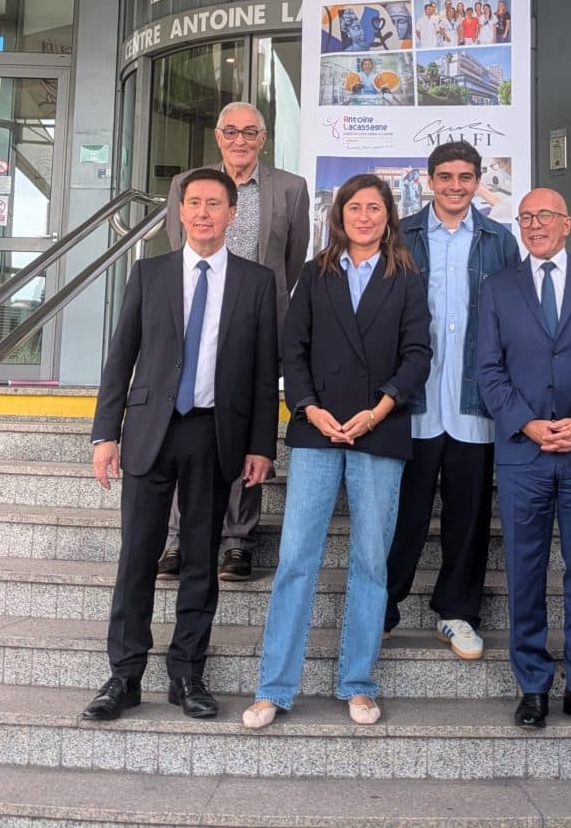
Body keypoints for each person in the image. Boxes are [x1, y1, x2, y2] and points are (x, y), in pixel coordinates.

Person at [82, 168, 278, 722]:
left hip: (215, 433)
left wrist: (262, 444)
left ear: (232, 214)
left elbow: (266, 373)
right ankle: (123, 677)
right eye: (193, 203)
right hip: (149, 431)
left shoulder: (256, 282)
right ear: (180, 211)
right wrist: (105, 434)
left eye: (215, 204)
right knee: (137, 557)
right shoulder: (149, 274)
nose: (203, 213)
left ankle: (187, 674)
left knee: (199, 561)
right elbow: (120, 357)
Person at [242, 174, 431, 729]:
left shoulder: (406, 276)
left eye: (375, 208)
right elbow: (292, 349)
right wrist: (309, 406)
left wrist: (379, 409)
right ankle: (274, 688)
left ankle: (358, 683)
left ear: (388, 216)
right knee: (296, 560)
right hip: (317, 430)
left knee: (371, 563)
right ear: (339, 214)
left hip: (380, 428)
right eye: (355, 207)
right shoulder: (315, 273)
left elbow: (419, 353)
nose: (364, 216)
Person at [477, 188, 571, 730]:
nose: (534, 224)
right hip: (524, 453)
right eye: (525, 217)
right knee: (525, 570)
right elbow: (488, 372)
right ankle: (534, 684)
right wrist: (527, 422)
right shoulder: (498, 288)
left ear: (567, 223)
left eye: (545, 215)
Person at [161, 103, 309, 582]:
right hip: (196, 319)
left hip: (257, 324)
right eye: (230, 131)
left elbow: (293, 258)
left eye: (250, 132)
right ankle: (179, 538)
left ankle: (238, 540)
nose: (240, 140)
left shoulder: (290, 188)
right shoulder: (189, 186)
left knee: (247, 426)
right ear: (218, 136)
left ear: (263, 139)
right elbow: (177, 250)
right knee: (189, 427)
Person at [385, 141, 520, 660]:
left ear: (478, 179)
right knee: (404, 513)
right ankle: (385, 608)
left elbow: (512, 322)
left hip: (474, 401)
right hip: (413, 401)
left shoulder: (500, 241)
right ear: (430, 180)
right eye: (446, 177)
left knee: (468, 516)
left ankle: (457, 613)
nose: (456, 186)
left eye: (466, 177)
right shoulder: (402, 236)